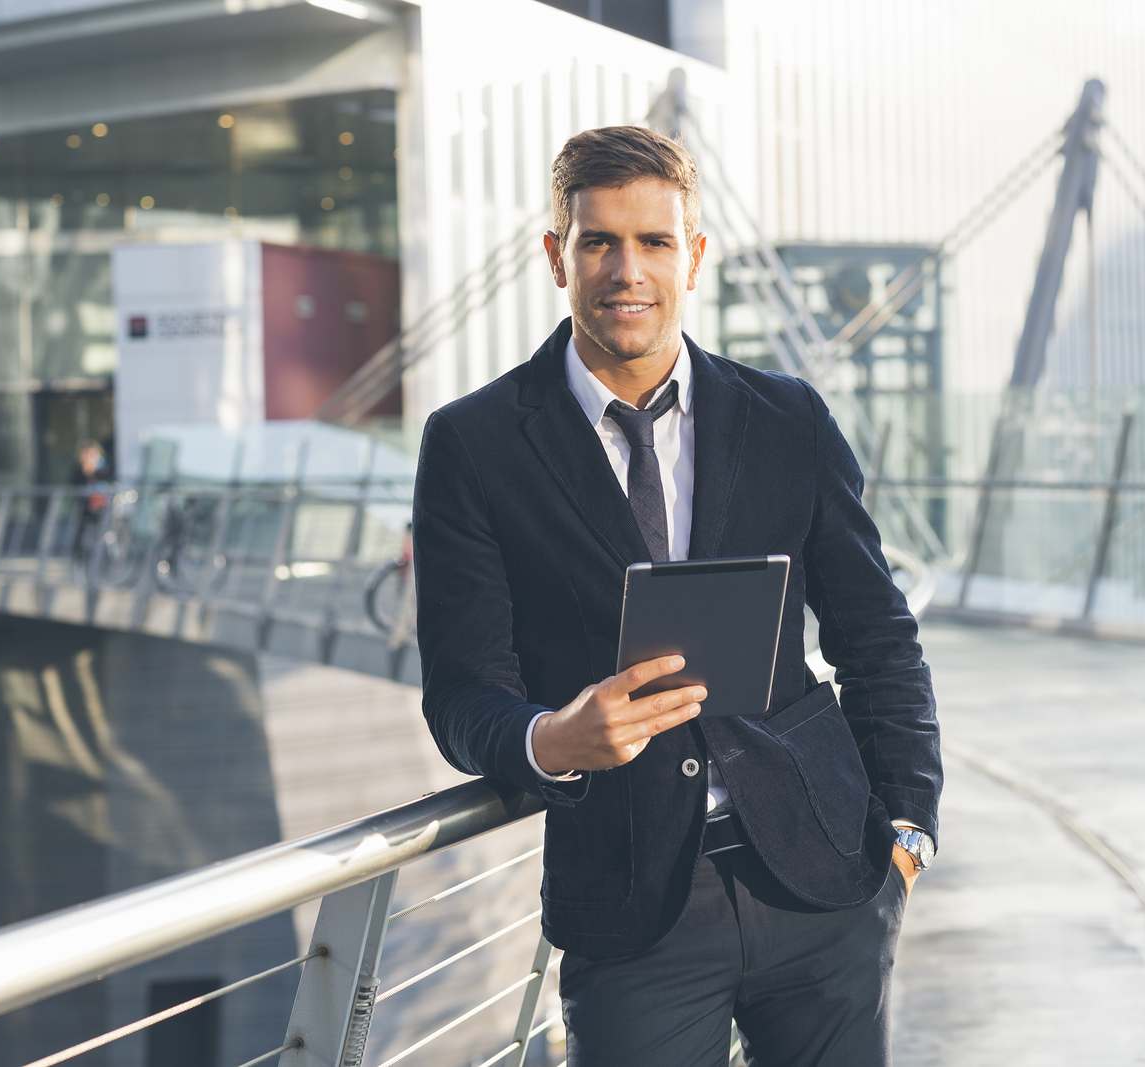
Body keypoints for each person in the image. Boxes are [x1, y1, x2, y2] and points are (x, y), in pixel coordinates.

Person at [411, 126, 941, 1067]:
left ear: (693, 256)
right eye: (598, 241)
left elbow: (879, 639)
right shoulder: (474, 444)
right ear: (556, 257)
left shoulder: (787, 418)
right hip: (632, 911)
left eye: (654, 241)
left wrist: (905, 833)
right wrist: (550, 739)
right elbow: (461, 692)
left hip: (824, 885)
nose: (627, 270)